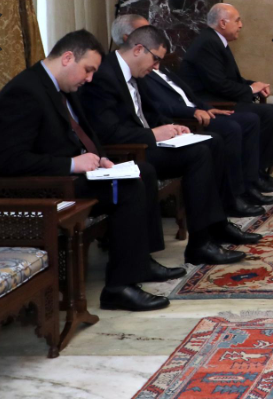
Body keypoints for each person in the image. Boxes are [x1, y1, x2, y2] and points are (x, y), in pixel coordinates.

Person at [0, 30, 178, 311]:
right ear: (68, 58)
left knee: (142, 171)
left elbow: (86, 133)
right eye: (88, 70)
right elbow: (10, 160)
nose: (90, 78)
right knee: (128, 188)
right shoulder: (25, 91)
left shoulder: (63, 87)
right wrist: (72, 164)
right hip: (48, 186)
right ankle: (119, 288)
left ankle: (141, 262)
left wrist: (102, 158)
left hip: (72, 176)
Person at [79, 25, 257, 266]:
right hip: (128, 152)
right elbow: (107, 132)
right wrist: (153, 134)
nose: (156, 67)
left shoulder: (134, 72)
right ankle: (200, 244)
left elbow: (150, 112)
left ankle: (218, 225)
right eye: (155, 59)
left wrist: (172, 127)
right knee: (198, 154)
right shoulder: (104, 76)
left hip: (145, 143)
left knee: (213, 142)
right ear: (138, 50)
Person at [111, 15, 273, 210]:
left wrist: (204, 108)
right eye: (145, 33)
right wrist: (186, 116)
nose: (153, 35)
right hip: (171, 125)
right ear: (131, 41)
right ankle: (232, 197)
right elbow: (157, 106)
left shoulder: (151, 64)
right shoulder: (134, 71)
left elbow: (184, 93)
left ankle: (249, 183)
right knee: (226, 132)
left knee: (253, 118)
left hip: (185, 116)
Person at [177, 3, 273, 187]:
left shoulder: (216, 40)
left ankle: (260, 171)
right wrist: (250, 90)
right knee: (267, 113)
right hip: (213, 103)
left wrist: (253, 85)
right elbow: (217, 84)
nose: (241, 25)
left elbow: (231, 79)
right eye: (237, 20)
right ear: (223, 23)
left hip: (221, 97)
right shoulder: (208, 43)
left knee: (272, 112)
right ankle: (253, 176)